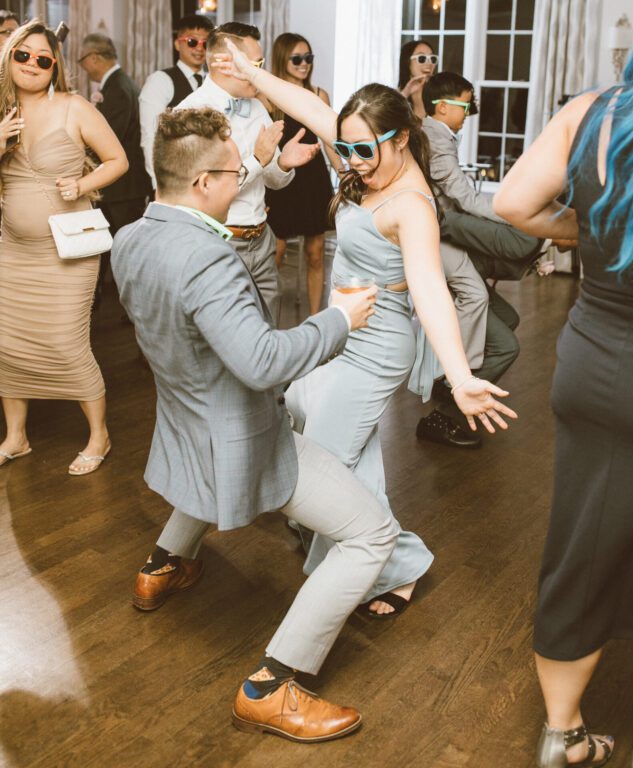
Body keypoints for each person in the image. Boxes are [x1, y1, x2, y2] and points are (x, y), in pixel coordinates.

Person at [112, 105, 399, 742]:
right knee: (370, 535)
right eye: (235, 173)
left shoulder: (131, 236)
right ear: (203, 185)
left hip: (187, 416)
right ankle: (271, 685)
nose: (243, 181)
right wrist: (340, 321)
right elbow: (263, 362)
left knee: (206, 461)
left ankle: (162, 564)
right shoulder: (208, 259)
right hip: (242, 433)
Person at [220, 43, 517, 618]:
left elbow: (430, 289)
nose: (350, 159)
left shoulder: (413, 205)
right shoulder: (363, 146)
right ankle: (381, 559)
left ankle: (390, 564)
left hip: (378, 345)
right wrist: (254, 74)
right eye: (346, 146)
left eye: (363, 149)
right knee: (340, 448)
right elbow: (306, 104)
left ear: (400, 138)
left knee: (326, 462)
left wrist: (460, 378)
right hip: (336, 331)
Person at [494, 0, 633, 768]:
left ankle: (562, 735)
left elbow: (510, 204)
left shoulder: (589, 114)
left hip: (590, 361)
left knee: (579, 542)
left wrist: (584, 231)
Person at [0, 19, 127, 475]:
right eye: (23, 54)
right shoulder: (0, 110)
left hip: (67, 254)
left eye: (43, 58)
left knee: (66, 343)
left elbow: (119, 160)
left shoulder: (74, 107)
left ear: (54, 67)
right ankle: (16, 436)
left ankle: (100, 434)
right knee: (7, 344)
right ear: (10, 57)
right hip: (12, 252)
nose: (32, 63)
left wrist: (82, 182)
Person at [415, 71, 541, 449]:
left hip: (448, 230)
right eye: (466, 105)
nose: (470, 111)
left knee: (510, 319)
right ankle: (457, 383)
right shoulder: (435, 137)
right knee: (479, 298)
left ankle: (448, 383)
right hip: (438, 235)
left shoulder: (439, 136)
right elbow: (464, 199)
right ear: (442, 107)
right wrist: (515, 213)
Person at [177, 22, 318, 321]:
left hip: (262, 240)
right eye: (255, 65)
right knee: (226, 337)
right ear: (223, 63)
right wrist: (257, 159)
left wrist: (282, 163)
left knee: (267, 329)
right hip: (219, 243)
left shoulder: (256, 108)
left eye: (262, 64)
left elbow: (274, 182)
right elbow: (204, 193)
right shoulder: (190, 113)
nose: (262, 74)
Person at [264, 33, 344, 315]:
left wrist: (344, 173)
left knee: (315, 253)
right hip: (281, 176)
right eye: (297, 58)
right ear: (282, 58)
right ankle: (263, 316)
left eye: (308, 58)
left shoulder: (319, 94)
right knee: (276, 251)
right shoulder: (269, 95)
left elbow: (329, 140)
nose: (304, 64)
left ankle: (315, 318)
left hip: (313, 178)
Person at [78, 33, 151, 234]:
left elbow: (109, 138)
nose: (82, 67)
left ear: (94, 57)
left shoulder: (118, 88)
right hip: (123, 188)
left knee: (123, 244)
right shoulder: (121, 83)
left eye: (82, 60)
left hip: (123, 189)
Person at [139, 13, 213, 184]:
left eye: (206, 43)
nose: (199, 49)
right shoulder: (161, 80)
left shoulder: (212, 81)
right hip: (174, 178)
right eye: (192, 42)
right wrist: (159, 183)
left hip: (208, 178)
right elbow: (151, 135)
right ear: (177, 44)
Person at [397, 38, 438, 120]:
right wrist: (405, 93)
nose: (429, 63)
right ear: (407, 62)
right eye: (422, 58)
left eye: (432, 59)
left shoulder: (440, 96)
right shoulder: (395, 96)